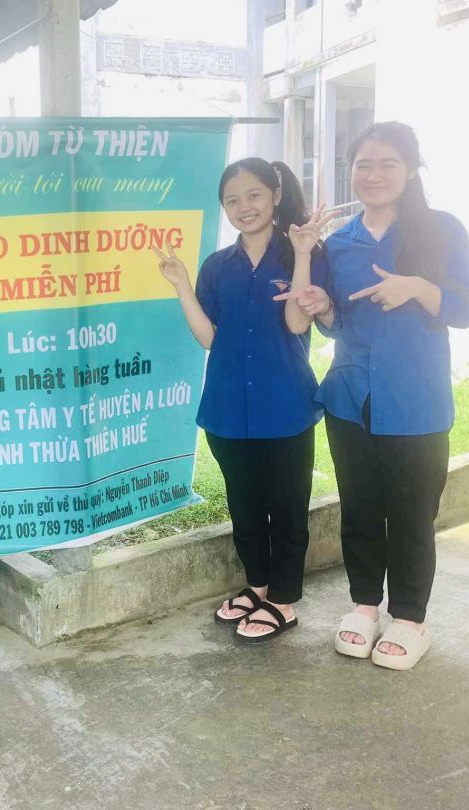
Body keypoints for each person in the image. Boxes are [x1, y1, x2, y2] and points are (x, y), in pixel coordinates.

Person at [279, 122, 469, 670]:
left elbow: (468, 309)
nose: (373, 175)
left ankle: (410, 619)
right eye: (363, 165)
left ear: (411, 169)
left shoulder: (441, 230)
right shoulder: (340, 243)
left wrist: (417, 286)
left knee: (413, 514)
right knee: (360, 508)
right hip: (350, 398)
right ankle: (365, 606)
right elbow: (335, 324)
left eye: (388, 163)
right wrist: (324, 306)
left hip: (416, 400)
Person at [153, 158, 330, 644]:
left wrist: (302, 256)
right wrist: (182, 286)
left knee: (287, 508)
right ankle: (259, 587)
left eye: (253, 195)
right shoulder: (217, 266)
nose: (243, 207)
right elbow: (209, 337)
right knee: (245, 507)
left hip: (285, 406)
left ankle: (283, 601)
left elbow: (297, 322)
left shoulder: (300, 254)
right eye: (232, 200)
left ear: (275, 197)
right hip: (228, 408)